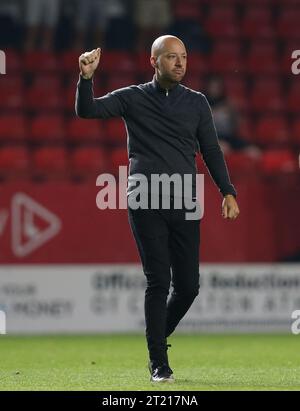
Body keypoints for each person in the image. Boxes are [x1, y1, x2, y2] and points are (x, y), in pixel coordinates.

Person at [75, 35, 240, 383]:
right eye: (171, 57)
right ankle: (158, 362)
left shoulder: (196, 103)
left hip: (184, 199)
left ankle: (156, 338)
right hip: (145, 199)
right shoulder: (132, 98)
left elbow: (211, 151)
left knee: (189, 286)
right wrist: (86, 79)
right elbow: (87, 111)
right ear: (154, 61)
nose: (179, 63)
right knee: (158, 281)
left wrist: (228, 192)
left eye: (183, 57)